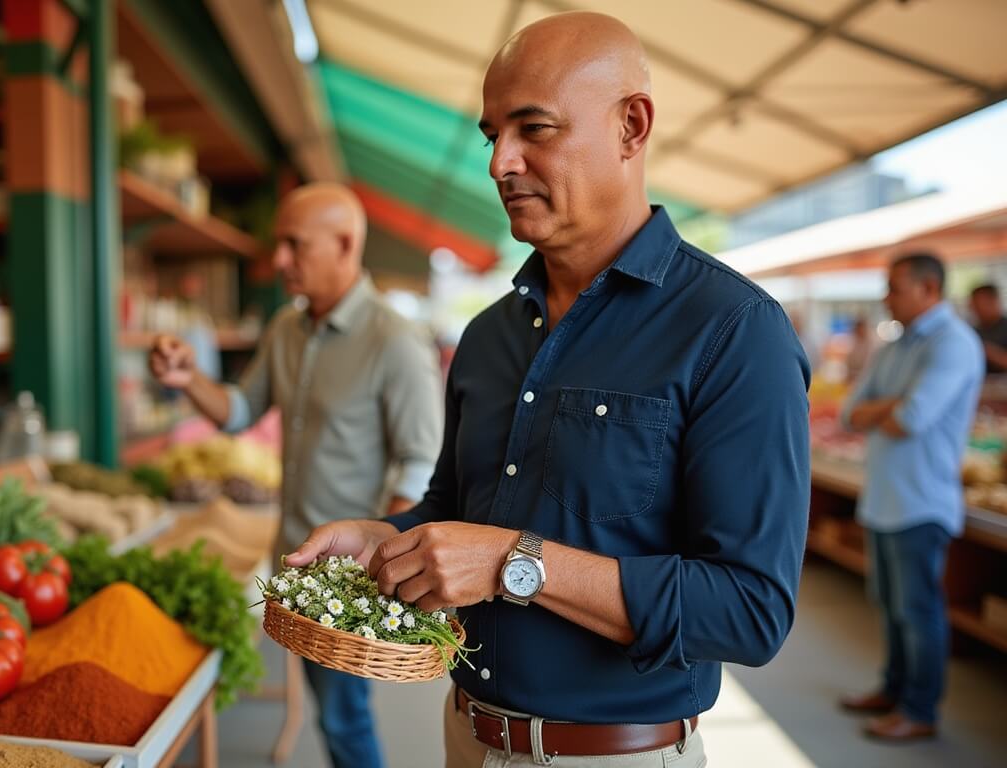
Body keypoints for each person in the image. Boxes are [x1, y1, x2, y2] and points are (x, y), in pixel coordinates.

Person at [286, 12, 811, 767]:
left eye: (535, 129)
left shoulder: (732, 330)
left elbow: (751, 612)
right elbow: (455, 509)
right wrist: (383, 537)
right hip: (465, 734)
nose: (501, 162)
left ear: (632, 127)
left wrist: (513, 562)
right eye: (492, 134)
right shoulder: (488, 335)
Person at [149, 182, 444, 768]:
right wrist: (187, 381)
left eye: (294, 244)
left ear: (344, 244)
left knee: (343, 716)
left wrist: (378, 561)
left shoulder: (395, 341)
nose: (279, 259)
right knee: (332, 709)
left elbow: (420, 462)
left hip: (347, 580)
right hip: (295, 563)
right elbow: (238, 411)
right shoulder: (287, 329)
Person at [839, 253, 982, 741]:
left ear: (928, 289)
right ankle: (893, 689)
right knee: (890, 605)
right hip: (884, 498)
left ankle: (919, 710)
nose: (887, 297)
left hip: (922, 503)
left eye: (895, 287)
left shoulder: (954, 344)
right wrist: (889, 408)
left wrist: (885, 410)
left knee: (919, 612)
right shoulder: (897, 346)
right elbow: (850, 413)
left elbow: (912, 419)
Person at [968, 283, 1007, 373]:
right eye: (973, 304)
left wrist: (988, 351)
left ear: (993, 301)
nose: (973, 308)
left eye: (978, 303)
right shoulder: (973, 331)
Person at [846, 315, 874, 384]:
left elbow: (868, 367)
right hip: (854, 377)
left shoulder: (872, 344)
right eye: (856, 329)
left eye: (860, 329)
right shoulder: (855, 342)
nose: (857, 331)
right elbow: (849, 362)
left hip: (866, 379)